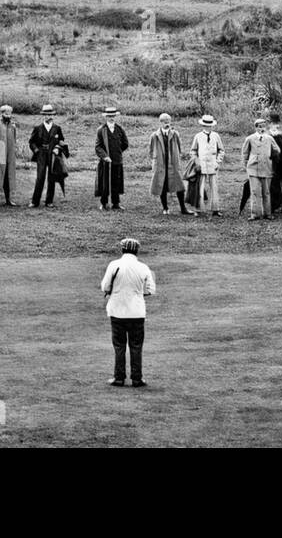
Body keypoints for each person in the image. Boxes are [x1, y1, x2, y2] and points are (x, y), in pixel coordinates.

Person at [101, 238, 155, 388]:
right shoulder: (143, 267)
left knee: (119, 346)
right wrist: (137, 294)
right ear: (136, 250)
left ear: (122, 250)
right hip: (137, 312)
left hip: (117, 310)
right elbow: (150, 290)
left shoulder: (114, 265)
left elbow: (105, 286)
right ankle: (137, 378)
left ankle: (119, 378)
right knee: (136, 346)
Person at [149, 113, 191, 215]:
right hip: (160, 164)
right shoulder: (154, 136)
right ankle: (165, 208)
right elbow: (151, 151)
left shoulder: (175, 134)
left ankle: (183, 209)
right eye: (164, 122)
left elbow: (179, 148)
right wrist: (155, 162)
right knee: (161, 185)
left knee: (179, 185)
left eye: (168, 121)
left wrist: (177, 159)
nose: (166, 124)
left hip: (173, 164)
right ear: (160, 123)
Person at [28, 104, 67, 208]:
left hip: (52, 155)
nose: (47, 116)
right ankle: (35, 201)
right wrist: (36, 150)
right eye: (45, 114)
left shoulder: (57, 128)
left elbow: (61, 141)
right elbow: (31, 142)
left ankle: (49, 201)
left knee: (51, 177)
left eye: (49, 114)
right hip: (41, 155)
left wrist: (57, 148)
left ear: (53, 116)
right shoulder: (38, 128)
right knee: (40, 177)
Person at [242, 118, 280, 220]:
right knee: (255, 191)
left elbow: (277, 150)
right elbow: (245, 154)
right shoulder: (249, 139)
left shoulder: (269, 138)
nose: (261, 129)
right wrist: (247, 166)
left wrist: (271, 157)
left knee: (266, 192)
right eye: (259, 127)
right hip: (253, 168)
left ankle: (268, 213)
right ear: (256, 127)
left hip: (267, 168)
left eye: (263, 126)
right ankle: (255, 214)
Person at [190, 114, 226, 217]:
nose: (207, 127)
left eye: (209, 125)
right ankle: (198, 209)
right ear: (202, 125)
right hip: (201, 165)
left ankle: (215, 209)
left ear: (212, 126)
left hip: (213, 165)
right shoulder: (198, 136)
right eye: (205, 125)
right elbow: (193, 151)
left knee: (214, 187)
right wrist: (197, 162)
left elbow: (221, 150)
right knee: (200, 187)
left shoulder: (216, 136)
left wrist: (218, 162)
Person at [94, 107, 129, 211]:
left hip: (117, 160)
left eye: (113, 116)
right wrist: (105, 156)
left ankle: (116, 203)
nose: (111, 118)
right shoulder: (101, 130)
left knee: (116, 182)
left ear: (115, 117)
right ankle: (104, 203)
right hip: (105, 162)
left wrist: (117, 152)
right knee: (105, 183)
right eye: (109, 116)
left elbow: (125, 144)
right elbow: (98, 146)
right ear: (106, 117)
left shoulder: (119, 129)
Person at [0, 105, 19, 207]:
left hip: (9, 154)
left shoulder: (12, 126)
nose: (8, 116)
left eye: (10, 113)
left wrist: (14, 150)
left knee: (8, 176)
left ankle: (8, 199)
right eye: (6, 114)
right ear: (1, 114)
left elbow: (14, 140)